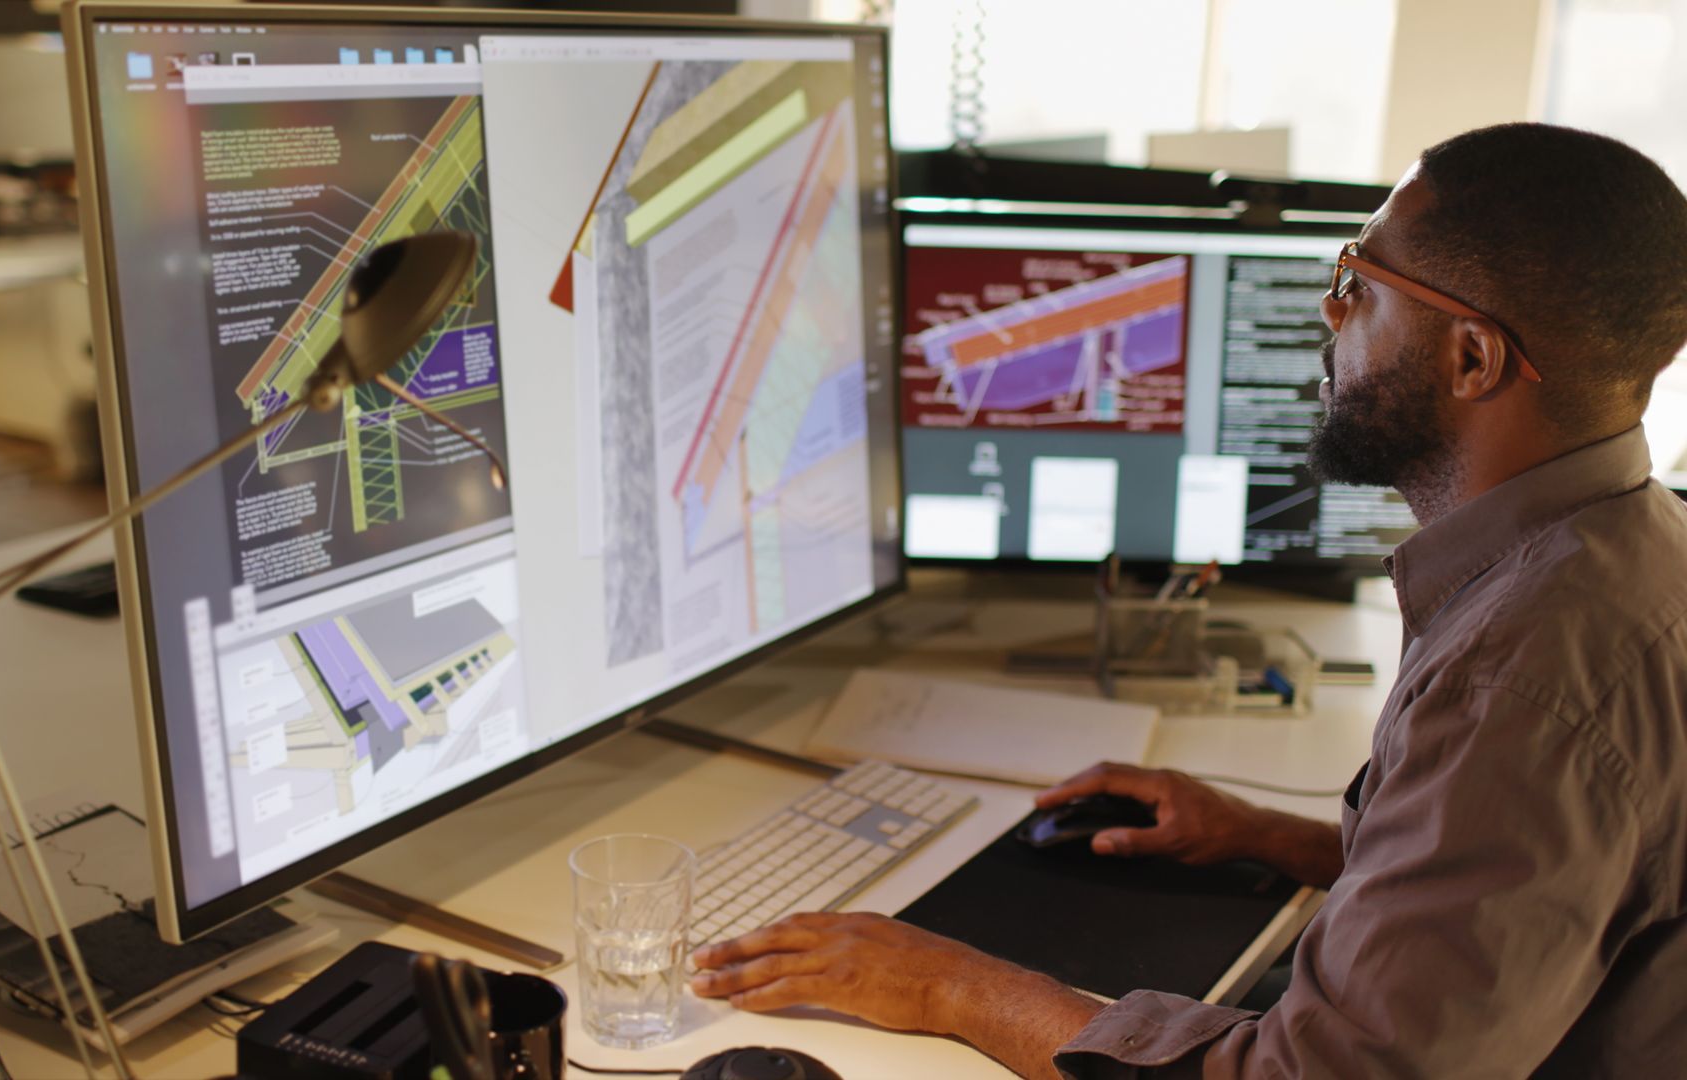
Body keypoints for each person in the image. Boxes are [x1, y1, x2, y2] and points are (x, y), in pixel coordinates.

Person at [690, 123, 1687, 1078]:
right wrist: (1271, 838)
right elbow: (1521, 885)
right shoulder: (1628, 551)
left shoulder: (1525, 678)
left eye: (1358, 283)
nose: (1330, 311)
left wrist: (946, 984)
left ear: (1473, 359)